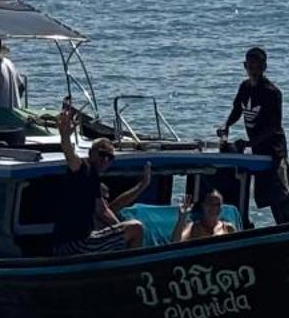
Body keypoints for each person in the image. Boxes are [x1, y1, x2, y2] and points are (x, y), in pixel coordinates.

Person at [51, 100, 149, 254]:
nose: (105, 159)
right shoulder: (84, 170)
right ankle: (131, 269)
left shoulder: (94, 180)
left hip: (75, 242)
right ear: (91, 154)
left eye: (110, 157)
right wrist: (65, 136)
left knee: (120, 228)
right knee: (136, 228)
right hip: (75, 245)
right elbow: (70, 155)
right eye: (102, 154)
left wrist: (118, 228)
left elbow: (104, 210)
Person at [215, 46, 289, 223]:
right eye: (250, 66)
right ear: (245, 66)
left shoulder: (272, 92)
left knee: (280, 196)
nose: (254, 70)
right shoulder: (245, 87)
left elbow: (274, 127)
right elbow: (237, 109)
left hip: (274, 151)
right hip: (258, 150)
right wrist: (226, 124)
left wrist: (249, 143)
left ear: (264, 67)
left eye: (258, 66)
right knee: (266, 195)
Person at [172, 188, 236, 243]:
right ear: (203, 205)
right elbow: (175, 243)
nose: (214, 207)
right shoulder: (193, 228)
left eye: (218, 204)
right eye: (210, 203)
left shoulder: (228, 228)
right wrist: (182, 218)